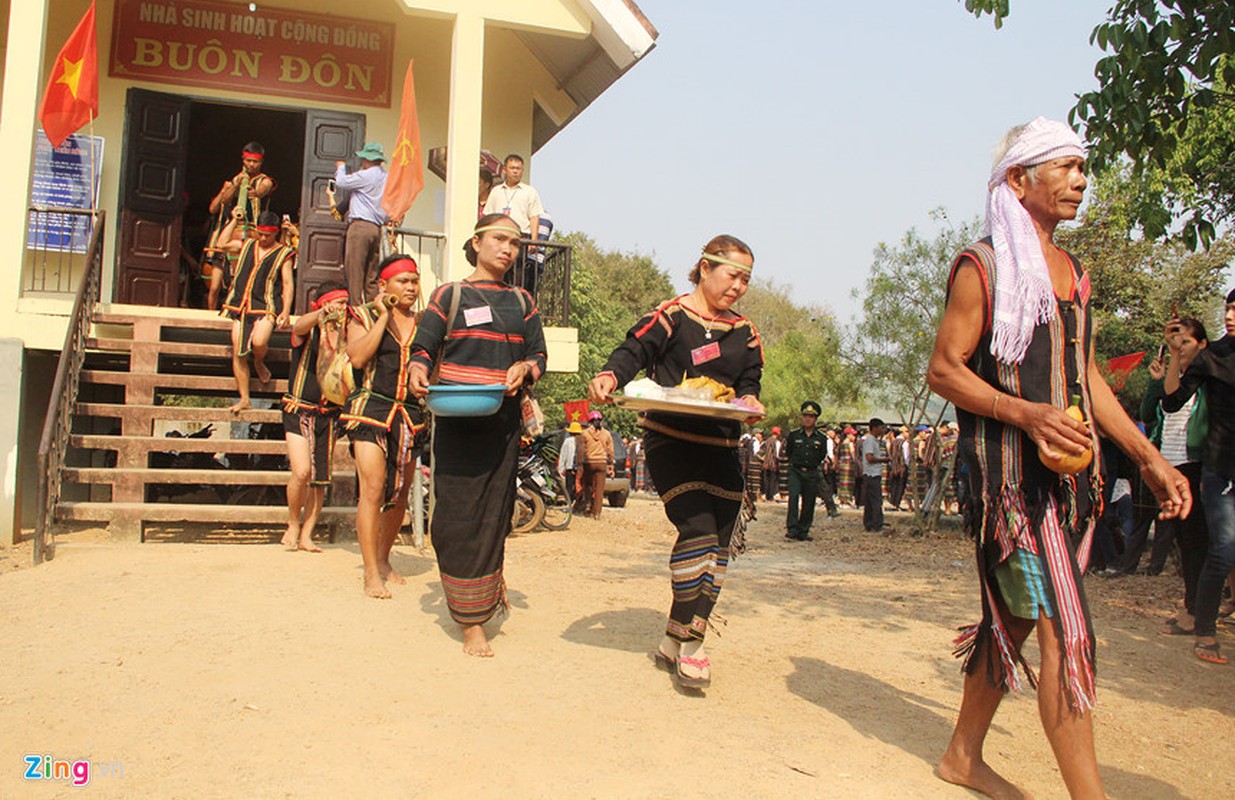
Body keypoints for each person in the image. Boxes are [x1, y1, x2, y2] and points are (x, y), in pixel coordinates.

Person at [926, 118, 1190, 799]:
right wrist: (1026, 413)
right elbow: (945, 371)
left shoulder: (1074, 274)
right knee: (1067, 634)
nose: (1080, 179)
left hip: (1070, 487)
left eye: (1082, 167)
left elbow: (1084, 376)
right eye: (1065, 166)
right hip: (1009, 490)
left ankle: (960, 756)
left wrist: (1146, 455)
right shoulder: (979, 266)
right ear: (1019, 179)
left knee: (1014, 616)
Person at [589, 234, 764, 689]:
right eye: (732, 275)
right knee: (698, 531)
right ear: (704, 269)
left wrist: (749, 399)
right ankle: (694, 647)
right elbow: (635, 351)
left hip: (723, 449)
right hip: (671, 440)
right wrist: (611, 373)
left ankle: (674, 638)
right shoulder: (670, 316)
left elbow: (750, 379)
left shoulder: (744, 332)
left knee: (720, 545)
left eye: (746, 279)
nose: (738, 287)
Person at [408, 214, 547, 657]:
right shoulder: (449, 295)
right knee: (453, 516)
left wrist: (524, 368)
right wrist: (417, 368)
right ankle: (465, 599)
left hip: (501, 424)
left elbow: (537, 354)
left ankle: (474, 620)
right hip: (454, 420)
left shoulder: (523, 300)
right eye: (500, 239)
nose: (508, 249)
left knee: (492, 515)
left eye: (515, 243)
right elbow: (423, 347)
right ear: (477, 242)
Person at [341, 255, 427, 599]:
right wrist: (382, 317)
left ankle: (384, 558)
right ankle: (370, 572)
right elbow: (358, 358)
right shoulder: (361, 315)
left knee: (400, 493)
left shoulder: (425, 324)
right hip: (370, 410)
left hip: (409, 415)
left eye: (414, 281)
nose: (410, 288)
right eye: (403, 281)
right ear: (384, 286)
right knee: (373, 488)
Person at [1162, 290, 1235, 664]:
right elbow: (1171, 401)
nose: (1231, 315)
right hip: (1220, 469)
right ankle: (1205, 630)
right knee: (1221, 549)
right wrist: (1176, 355)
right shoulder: (1212, 357)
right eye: (1228, 307)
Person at [280, 282, 349, 552]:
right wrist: (321, 315)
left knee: (320, 479)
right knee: (302, 471)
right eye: (338, 303)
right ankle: (293, 523)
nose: (342, 308)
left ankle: (308, 534)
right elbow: (298, 327)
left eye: (345, 303)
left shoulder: (346, 335)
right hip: (299, 408)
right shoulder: (309, 329)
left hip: (329, 414)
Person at [220, 210, 294, 414]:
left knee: (259, 342)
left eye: (267, 235)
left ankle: (259, 361)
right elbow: (221, 243)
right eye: (260, 234)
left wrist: (286, 310)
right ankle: (245, 399)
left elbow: (287, 283)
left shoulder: (283, 253)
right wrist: (234, 220)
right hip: (240, 304)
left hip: (265, 304)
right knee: (238, 349)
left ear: (276, 233)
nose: (263, 238)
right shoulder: (247, 245)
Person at [205, 141, 276, 311]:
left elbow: (264, 189)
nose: (251, 165)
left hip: (249, 235)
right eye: (248, 161)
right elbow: (221, 203)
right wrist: (236, 185)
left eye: (255, 162)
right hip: (228, 233)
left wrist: (255, 192)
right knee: (214, 287)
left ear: (261, 162)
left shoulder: (264, 180)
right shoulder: (234, 181)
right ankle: (210, 315)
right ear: (243, 160)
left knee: (240, 282)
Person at [335, 142, 389, 304]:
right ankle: (373, 308)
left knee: (355, 271)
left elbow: (341, 182)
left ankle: (356, 309)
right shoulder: (386, 177)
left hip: (360, 226)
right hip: (376, 228)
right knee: (371, 274)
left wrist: (341, 167)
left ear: (366, 159)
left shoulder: (367, 175)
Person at [482, 154, 544, 291]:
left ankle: (515, 302)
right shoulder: (496, 191)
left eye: (518, 168)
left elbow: (534, 217)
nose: (515, 171)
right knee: (498, 270)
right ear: (505, 170)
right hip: (498, 236)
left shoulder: (529, 192)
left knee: (518, 274)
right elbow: (488, 216)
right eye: (512, 168)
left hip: (520, 237)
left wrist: (534, 241)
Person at [784, 401, 828, 541]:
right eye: (805, 416)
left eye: (811, 416)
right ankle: (792, 529)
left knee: (809, 501)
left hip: (811, 472)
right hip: (795, 471)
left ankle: (803, 530)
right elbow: (788, 452)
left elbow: (822, 455)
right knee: (793, 498)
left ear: (815, 419)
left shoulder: (821, 438)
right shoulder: (794, 435)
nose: (807, 419)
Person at [578, 411, 614, 518]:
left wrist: (579, 464)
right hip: (602, 463)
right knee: (599, 489)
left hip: (589, 463)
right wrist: (611, 464)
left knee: (588, 485)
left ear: (589, 422)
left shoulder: (584, 433)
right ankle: (597, 513)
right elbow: (611, 451)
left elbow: (580, 450)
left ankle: (588, 505)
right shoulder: (607, 434)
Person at [860, 418, 889, 532]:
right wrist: (883, 460)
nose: (882, 430)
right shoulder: (870, 441)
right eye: (881, 427)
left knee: (871, 500)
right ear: (875, 428)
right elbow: (869, 457)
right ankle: (876, 524)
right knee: (876, 500)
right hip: (871, 474)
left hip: (873, 474)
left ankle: (870, 523)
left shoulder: (875, 441)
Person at [557, 421, 583, 505]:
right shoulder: (583, 441)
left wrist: (560, 469)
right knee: (579, 486)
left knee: (569, 487)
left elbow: (563, 455)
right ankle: (578, 504)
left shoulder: (568, 441)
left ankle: (569, 504)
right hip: (580, 468)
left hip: (570, 467)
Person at [761, 427, 782, 502]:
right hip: (773, 464)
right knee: (773, 480)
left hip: (765, 464)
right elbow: (777, 455)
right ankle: (770, 496)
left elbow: (760, 452)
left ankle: (767, 495)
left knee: (766, 480)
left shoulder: (766, 441)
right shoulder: (777, 442)